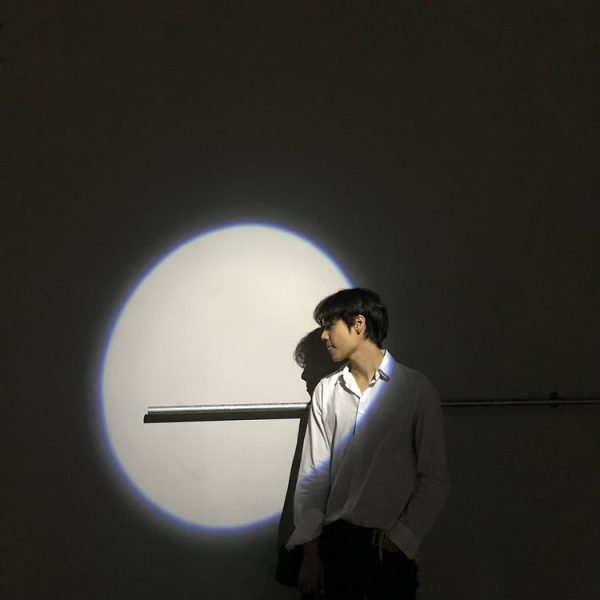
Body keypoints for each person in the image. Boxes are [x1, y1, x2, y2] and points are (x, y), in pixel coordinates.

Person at [286, 288, 450, 599]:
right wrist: (311, 552)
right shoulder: (327, 391)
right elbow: (312, 478)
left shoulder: (415, 390)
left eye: (329, 325)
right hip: (336, 548)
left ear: (359, 324)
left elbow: (435, 478)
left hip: (388, 551)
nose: (324, 336)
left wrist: (399, 540)